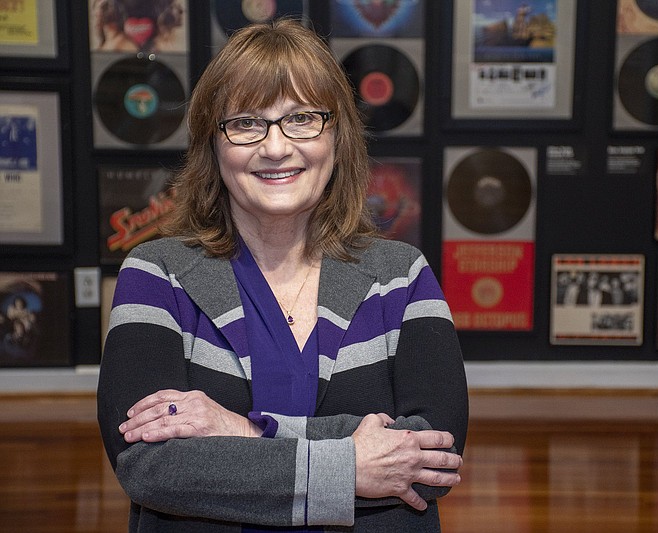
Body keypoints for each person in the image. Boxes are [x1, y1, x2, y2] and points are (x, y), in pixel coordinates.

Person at [97, 19, 469, 532]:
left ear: (338, 138)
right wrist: (351, 465)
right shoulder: (157, 273)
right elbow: (151, 467)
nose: (275, 148)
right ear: (214, 146)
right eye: (246, 123)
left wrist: (241, 431)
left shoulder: (401, 276)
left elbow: (431, 460)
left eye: (301, 119)